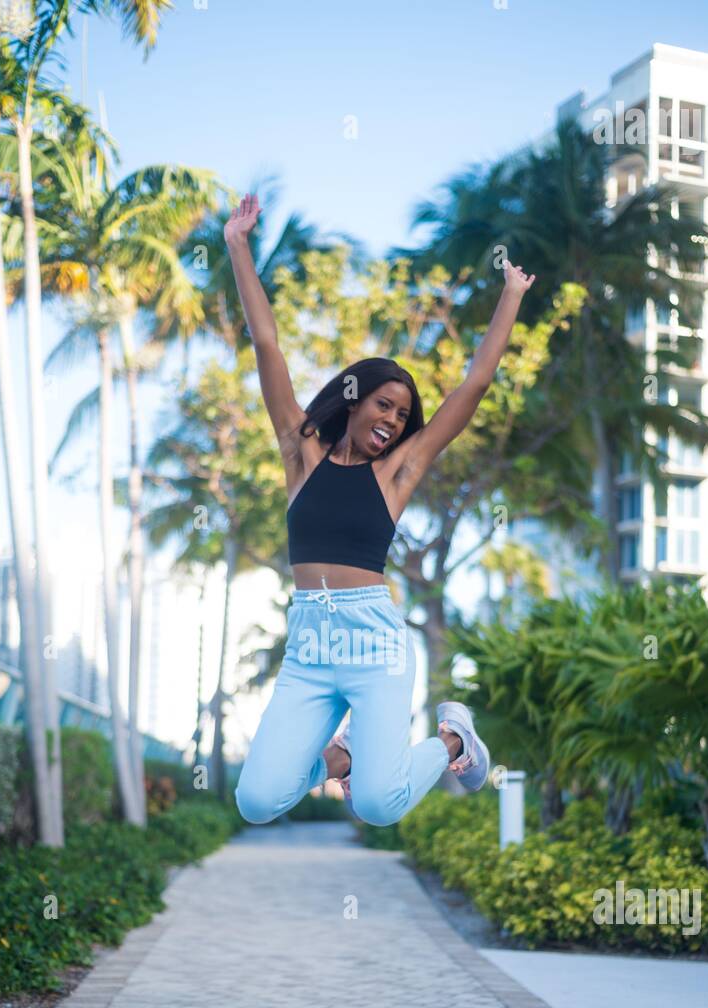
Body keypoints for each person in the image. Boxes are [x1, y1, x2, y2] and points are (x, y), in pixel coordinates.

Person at [227, 193, 535, 826]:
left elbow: (474, 383)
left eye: (402, 414)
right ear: (355, 399)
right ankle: (340, 760)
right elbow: (267, 343)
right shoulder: (301, 454)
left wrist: (511, 296)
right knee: (256, 800)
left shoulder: (397, 474)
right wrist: (237, 244)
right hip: (310, 640)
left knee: (378, 805)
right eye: (384, 405)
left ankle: (454, 738)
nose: (392, 421)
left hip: (375, 643)